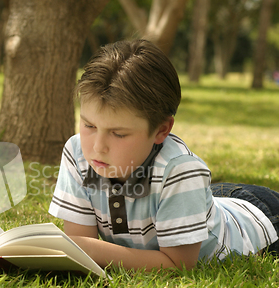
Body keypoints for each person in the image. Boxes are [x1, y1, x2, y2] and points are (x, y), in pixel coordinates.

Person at [49, 39, 279, 271]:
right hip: (208, 199)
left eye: (118, 134)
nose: (98, 147)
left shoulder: (181, 171)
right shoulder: (77, 152)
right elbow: (80, 246)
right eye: (89, 126)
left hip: (262, 217)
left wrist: (81, 248)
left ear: (161, 130)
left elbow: (177, 265)